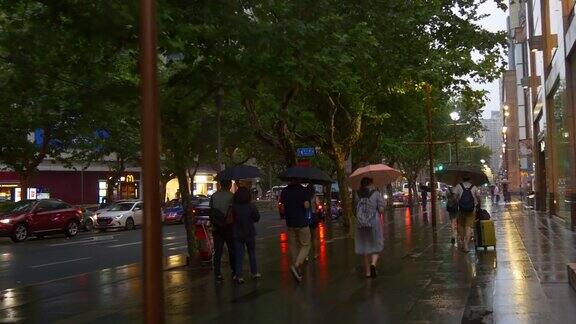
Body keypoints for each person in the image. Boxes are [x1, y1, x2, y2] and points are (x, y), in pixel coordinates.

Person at [280, 179, 311, 282]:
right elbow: (306, 205)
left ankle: (297, 270)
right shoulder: (302, 190)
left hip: (290, 223)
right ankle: (297, 265)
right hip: (302, 223)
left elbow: (282, 207)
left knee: (293, 247)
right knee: (305, 244)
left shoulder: (284, 191)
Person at [354, 177, 385, 278]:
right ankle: (373, 264)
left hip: (361, 224)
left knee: (365, 247)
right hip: (374, 223)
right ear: (370, 184)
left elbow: (354, 209)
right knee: (376, 245)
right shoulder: (375, 193)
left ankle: (367, 272)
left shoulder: (356, 194)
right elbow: (381, 210)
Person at [231, 187, 261, 284]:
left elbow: (231, 219)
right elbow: (257, 217)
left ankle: (239, 275)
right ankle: (254, 272)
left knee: (239, 254)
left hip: (237, 233)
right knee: (251, 253)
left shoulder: (234, 207)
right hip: (250, 232)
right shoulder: (251, 206)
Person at [209, 180, 235, 281]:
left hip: (217, 227)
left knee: (218, 250)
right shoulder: (231, 196)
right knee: (231, 250)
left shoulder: (214, 196)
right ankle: (234, 271)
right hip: (228, 226)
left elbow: (211, 210)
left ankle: (217, 273)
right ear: (228, 185)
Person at [454, 176, 481, 253]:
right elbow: (479, 197)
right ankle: (466, 244)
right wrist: (479, 204)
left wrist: (457, 202)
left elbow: (455, 197)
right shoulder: (474, 187)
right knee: (469, 227)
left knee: (460, 226)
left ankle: (463, 242)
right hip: (471, 210)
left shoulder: (458, 186)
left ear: (462, 179)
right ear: (470, 179)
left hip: (461, 210)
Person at [306, 184, 320, 260]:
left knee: (307, 238)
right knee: (314, 237)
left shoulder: (305, 197)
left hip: (306, 218)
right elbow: (318, 206)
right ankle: (315, 254)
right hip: (314, 217)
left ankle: (307, 255)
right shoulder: (315, 197)